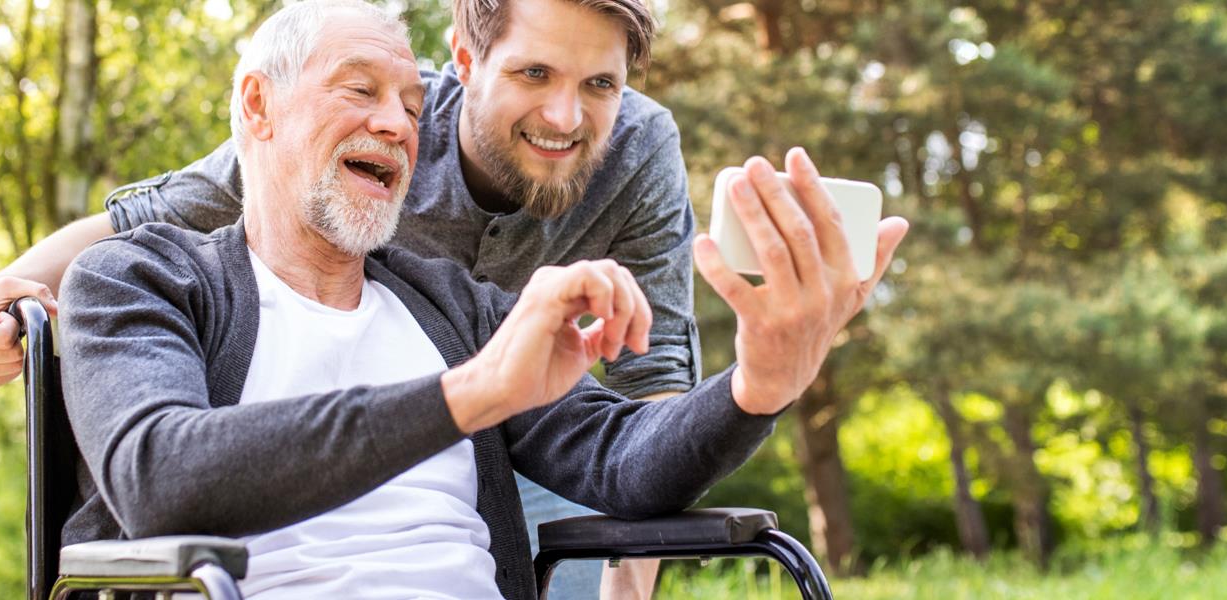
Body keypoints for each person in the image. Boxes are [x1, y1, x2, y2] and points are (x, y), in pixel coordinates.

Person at [55, 2, 908, 599]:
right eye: (360, 90)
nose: (396, 122)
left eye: (412, 105)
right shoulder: (140, 280)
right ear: (258, 106)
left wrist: (757, 385)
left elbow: (620, 458)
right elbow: (163, 477)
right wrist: (473, 393)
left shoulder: (453, 309)